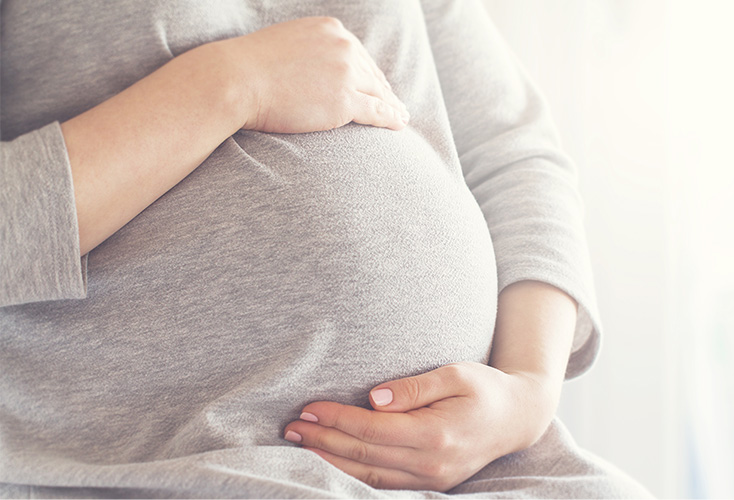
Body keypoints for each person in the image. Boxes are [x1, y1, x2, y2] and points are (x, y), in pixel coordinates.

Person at [0, 0, 652, 497]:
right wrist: (228, 84)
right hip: (159, 463)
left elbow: (513, 154)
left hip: (487, 467)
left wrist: (527, 398)